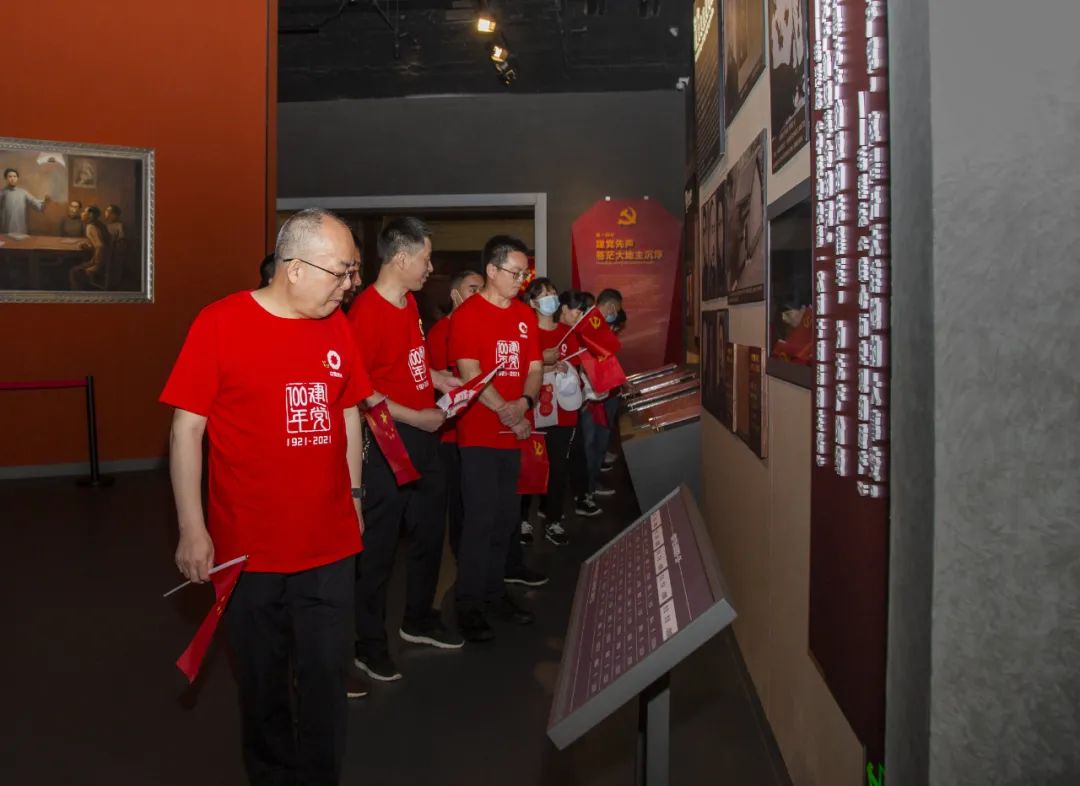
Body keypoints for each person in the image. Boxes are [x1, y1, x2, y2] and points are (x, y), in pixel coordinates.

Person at [161, 207, 371, 786]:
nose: (349, 284)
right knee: (263, 682)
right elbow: (187, 429)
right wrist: (191, 527)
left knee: (327, 677)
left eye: (353, 272)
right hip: (248, 549)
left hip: (328, 542)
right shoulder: (220, 323)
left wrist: (355, 496)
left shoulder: (336, 324)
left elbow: (348, 412)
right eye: (341, 271)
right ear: (294, 268)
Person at [346, 216, 465, 682]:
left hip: (423, 438)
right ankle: (368, 644)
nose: (430, 268)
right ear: (400, 259)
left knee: (429, 533)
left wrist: (436, 379)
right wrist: (417, 416)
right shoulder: (365, 314)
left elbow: (405, 363)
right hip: (387, 441)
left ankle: (418, 618)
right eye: (425, 259)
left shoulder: (410, 302)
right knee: (378, 551)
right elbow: (362, 392)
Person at [448, 235, 546, 642]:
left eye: (525, 274)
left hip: (515, 431)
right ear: (492, 270)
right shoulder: (468, 314)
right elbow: (469, 372)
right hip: (479, 436)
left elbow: (535, 367)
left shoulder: (523, 315)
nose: (521, 281)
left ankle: (494, 592)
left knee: (506, 520)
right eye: (515, 273)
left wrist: (524, 403)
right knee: (480, 521)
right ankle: (469, 603)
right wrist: (506, 410)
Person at [519, 278, 586, 547]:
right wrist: (544, 368)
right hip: (533, 412)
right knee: (530, 466)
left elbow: (578, 369)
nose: (551, 298)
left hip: (563, 411)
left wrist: (567, 370)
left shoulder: (568, 333)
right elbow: (518, 373)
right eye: (544, 294)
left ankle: (553, 519)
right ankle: (522, 519)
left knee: (558, 469)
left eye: (553, 293)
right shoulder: (525, 334)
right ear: (532, 302)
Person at [427, 267, 484, 558]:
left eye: (482, 289)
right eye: (473, 289)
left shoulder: (481, 327)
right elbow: (442, 380)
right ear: (455, 294)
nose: (479, 295)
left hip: (478, 427)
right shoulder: (441, 332)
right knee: (460, 501)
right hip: (452, 432)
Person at [580, 288, 624, 497]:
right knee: (590, 443)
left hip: (605, 391)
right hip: (590, 396)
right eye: (616, 310)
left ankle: (593, 481)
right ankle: (588, 486)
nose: (615, 314)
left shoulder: (601, 326)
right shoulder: (588, 323)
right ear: (611, 306)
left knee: (600, 441)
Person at [68, 206, 112, 289]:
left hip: (102, 262)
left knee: (74, 271)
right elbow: (101, 243)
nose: (82, 213)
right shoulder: (100, 224)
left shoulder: (91, 227)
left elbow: (100, 246)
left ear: (90, 215)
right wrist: (88, 247)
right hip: (108, 260)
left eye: (84, 212)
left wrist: (96, 265)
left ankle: (78, 292)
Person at [0, 168, 48, 234]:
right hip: (6, 230)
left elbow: (34, 202)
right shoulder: (2, 193)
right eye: (10, 176)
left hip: (21, 230)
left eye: (14, 176)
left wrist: (45, 203)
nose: (12, 179)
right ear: (6, 178)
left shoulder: (23, 192)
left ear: (17, 178)